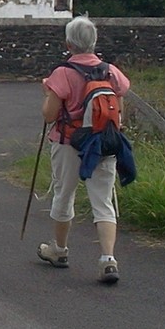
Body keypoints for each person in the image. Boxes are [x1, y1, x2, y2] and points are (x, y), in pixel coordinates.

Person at [38, 15, 131, 284]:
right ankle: (108, 259)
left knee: (64, 195)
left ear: (69, 44)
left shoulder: (62, 73)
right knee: (103, 201)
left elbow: (49, 115)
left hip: (68, 142)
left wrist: (47, 93)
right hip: (102, 142)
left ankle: (59, 250)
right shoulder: (110, 71)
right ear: (94, 42)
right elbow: (120, 102)